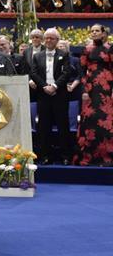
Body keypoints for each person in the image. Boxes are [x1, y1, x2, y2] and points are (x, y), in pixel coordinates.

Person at [31, 28, 72, 165]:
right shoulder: (37, 56)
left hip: (59, 95)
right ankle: (45, 156)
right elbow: (34, 73)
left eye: (52, 38)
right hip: (43, 96)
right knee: (44, 127)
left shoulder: (64, 54)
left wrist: (54, 86)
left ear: (57, 40)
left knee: (63, 126)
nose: (48, 40)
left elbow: (66, 73)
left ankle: (65, 156)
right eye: (46, 38)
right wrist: (44, 86)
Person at [74, 24, 113, 166]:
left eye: (97, 31)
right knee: (90, 120)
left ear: (103, 33)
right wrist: (84, 90)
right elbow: (81, 71)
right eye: (92, 31)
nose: (94, 33)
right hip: (90, 89)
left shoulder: (110, 48)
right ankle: (89, 156)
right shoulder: (87, 49)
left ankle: (106, 156)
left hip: (107, 88)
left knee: (106, 120)